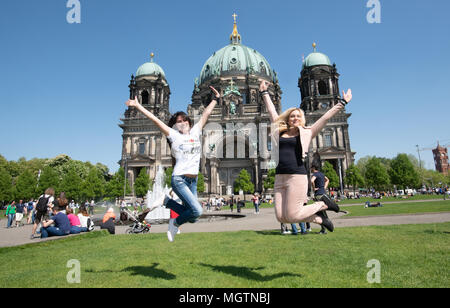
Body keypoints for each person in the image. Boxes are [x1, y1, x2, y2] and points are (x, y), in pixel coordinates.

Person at [126, 86, 220, 242]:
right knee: (197, 210)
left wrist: (216, 99)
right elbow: (155, 119)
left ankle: (166, 201)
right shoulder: (173, 135)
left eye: (184, 120)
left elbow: (206, 113)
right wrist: (138, 106)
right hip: (179, 179)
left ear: (189, 122)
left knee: (193, 216)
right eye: (178, 122)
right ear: (175, 126)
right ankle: (174, 223)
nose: (182, 123)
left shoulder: (196, 131)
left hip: (193, 180)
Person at [260, 80, 352, 232]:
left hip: (296, 175)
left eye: (298, 116)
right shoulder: (279, 132)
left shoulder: (307, 132)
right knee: (281, 217)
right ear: (288, 119)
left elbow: (324, 118)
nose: (295, 118)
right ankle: (321, 219)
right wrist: (264, 93)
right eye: (292, 116)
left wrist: (342, 102)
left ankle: (323, 205)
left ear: (301, 119)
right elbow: (272, 113)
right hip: (280, 176)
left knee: (293, 215)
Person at [310, 165, 330, 234]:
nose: (310, 169)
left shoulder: (315, 174)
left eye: (311, 168)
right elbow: (327, 180)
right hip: (324, 194)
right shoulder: (321, 174)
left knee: (320, 212)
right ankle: (326, 226)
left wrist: (313, 188)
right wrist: (324, 187)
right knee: (323, 211)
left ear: (313, 168)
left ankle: (324, 229)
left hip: (318, 195)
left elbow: (312, 181)